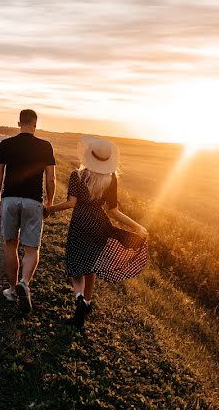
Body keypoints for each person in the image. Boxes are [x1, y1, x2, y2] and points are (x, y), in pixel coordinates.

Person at [45, 136, 148, 329]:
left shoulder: (77, 175)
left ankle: (79, 297)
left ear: (88, 156)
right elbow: (114, 211)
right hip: (100, 223)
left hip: (80, 222)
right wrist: (137, 227)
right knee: (90, 263)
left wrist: (49, 209)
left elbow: (71, 204)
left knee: (75, 262)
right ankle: (87, 302)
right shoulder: (111, 179)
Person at [0, 109, 56, 314]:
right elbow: (51, 179)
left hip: (9, 199)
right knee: (32, 248)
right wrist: (50, 203)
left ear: (19, 123)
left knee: (11, 244)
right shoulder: (45, 146)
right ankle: (25, 282)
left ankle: (12, 289)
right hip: (33, 201)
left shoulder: (6, 144)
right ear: (35, 124)